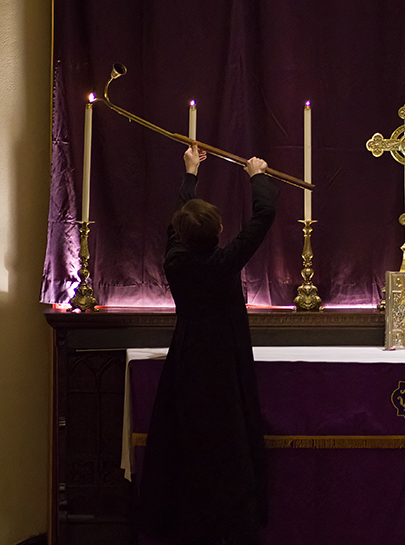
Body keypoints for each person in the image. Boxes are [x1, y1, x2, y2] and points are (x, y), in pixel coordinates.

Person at [138, 145, 279, 545]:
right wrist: (257, 174)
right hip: (223, 357)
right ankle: (229, 522)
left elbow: (178, 217)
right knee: (227, 439)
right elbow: (264, 216)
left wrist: (189, 173)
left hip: (187, 355)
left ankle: (185, 520)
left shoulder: (176, 260)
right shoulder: (222, 262)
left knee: (187, 435)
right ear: (219, 231)